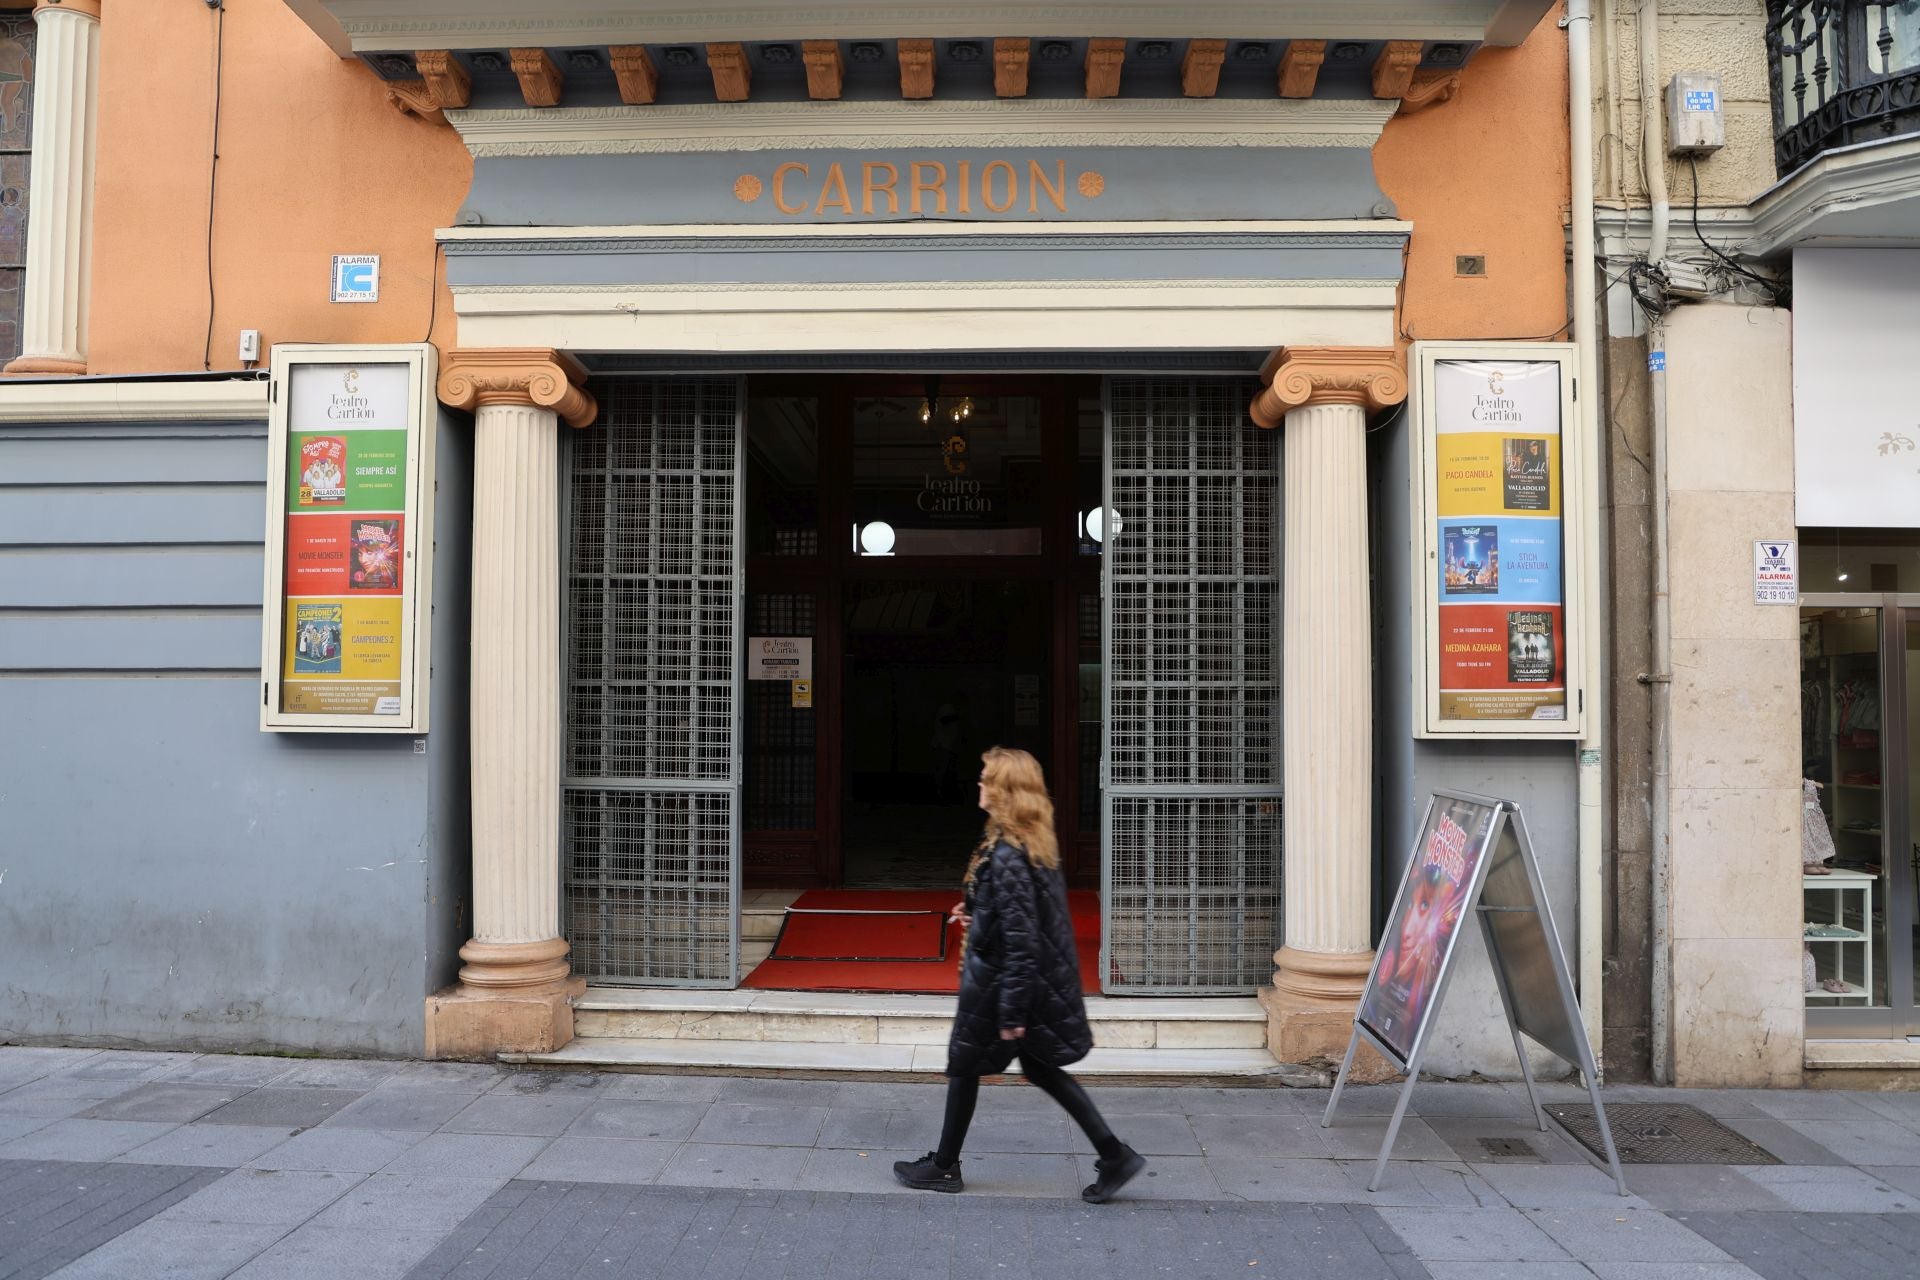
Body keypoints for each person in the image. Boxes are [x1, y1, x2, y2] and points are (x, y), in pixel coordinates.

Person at [893, 746, 1145, 1203]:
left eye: (987, 779)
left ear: (1005, 791)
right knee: (1029, 1068)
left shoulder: (1009, 851)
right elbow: (1015, 913)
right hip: (1018, 981)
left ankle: (944, 1167)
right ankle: (1113, 1155)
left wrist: (1011, 1013)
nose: (980, 785)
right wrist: (975, 909)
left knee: (972, 1064)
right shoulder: (1024, 841)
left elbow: (1023, 939)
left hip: (1005, 985)